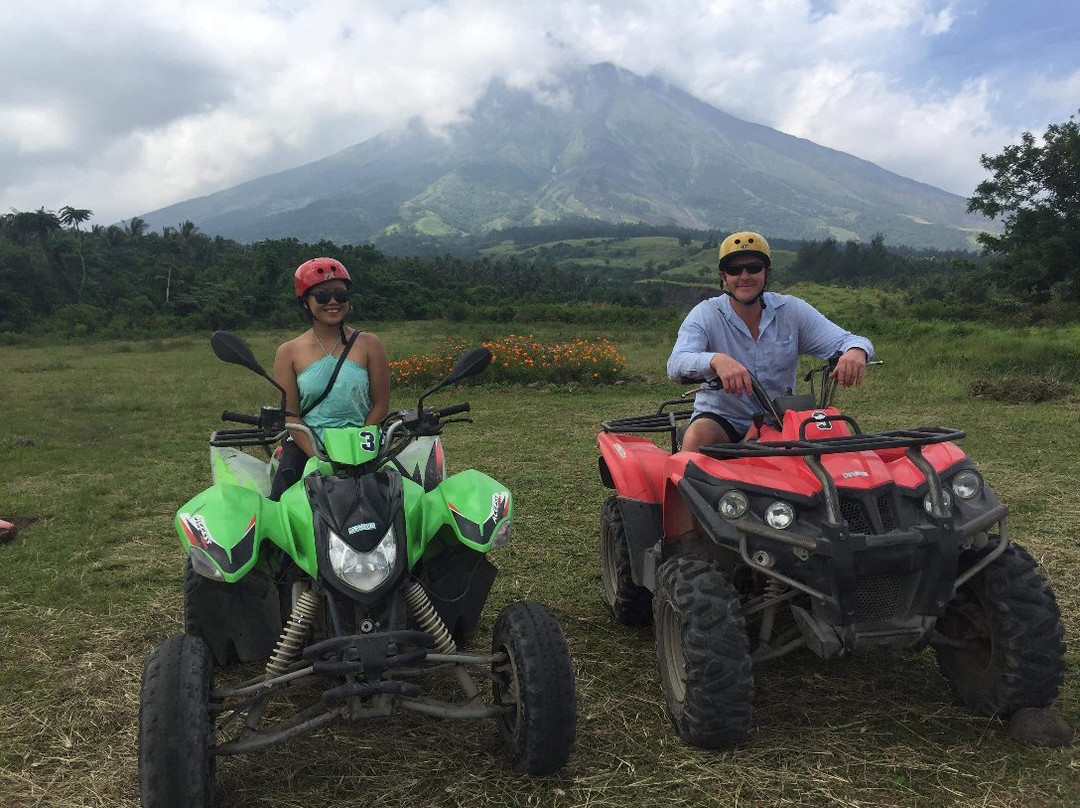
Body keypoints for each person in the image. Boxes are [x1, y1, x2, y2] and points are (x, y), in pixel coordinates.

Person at [667, 231, 874, 452]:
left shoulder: (791, 310)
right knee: (698, 437)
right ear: (724, 277)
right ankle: (682, 486)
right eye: (735, 270)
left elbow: (848, 339)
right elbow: (676, 363)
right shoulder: (706, 313)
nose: (744, 276)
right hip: (724, 418)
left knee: (827, 457)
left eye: (754, 268)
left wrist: (855, 351)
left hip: (778, 420)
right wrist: (715, 360)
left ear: (767, 272)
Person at [269, 257, 390, 499]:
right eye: (322, 296)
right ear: (305, 302)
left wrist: (361, 441)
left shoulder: (369, 344)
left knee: (406, 495)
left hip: (361, 439)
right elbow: (291, 415)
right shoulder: (289, 352)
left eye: (341, 295)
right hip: (310, 444)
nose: (333, 302)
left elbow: (380, 404)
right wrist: (318, 455)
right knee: (280, 500)